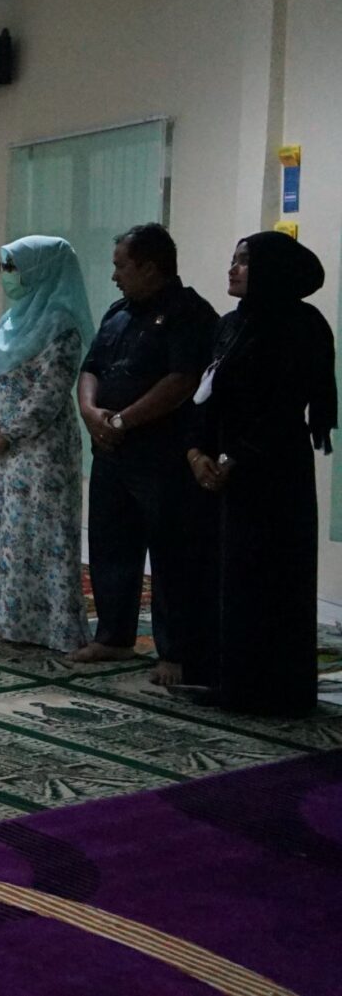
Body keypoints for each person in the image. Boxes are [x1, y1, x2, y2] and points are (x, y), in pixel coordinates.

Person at [187, 231, 335, 717]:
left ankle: (277, 690)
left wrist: (235, 459)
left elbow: (283, 404)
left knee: (272, 578)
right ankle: (232, 681)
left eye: (245, 261)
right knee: (228, 578)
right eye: (233, 259)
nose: (233, 269)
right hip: (223, 468)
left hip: (273, 472)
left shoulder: (301, 326)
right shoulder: (231, 324)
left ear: (272, 269)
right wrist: (197, 452)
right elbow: (208, 390)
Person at [75, 224, 220, 678]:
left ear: (150, 267)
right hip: (111, 451)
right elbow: (91, 368)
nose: (114, 275)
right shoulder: (118, 312)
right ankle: (112, 637)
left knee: (172, 555)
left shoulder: (189, 313)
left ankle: (175, 652)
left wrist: (124, 420)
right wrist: (90, 412)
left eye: (121, 266)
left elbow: (182, 381)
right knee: (110, 543)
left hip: (163, 455)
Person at [0, 236, 94, 652]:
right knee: (4, 531)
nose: (6, 276)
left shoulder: (61, 324)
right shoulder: (12, 319)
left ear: (40, 270)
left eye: (13, 267)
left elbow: (50, 392)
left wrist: (7, 434)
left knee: (38, 533)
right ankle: (8, 616)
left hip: (39, 449)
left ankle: (48, 626)